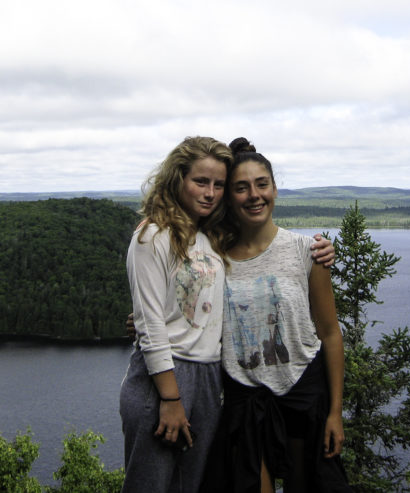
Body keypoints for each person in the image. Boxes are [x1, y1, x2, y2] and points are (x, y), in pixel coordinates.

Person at [119, 136, 334, 493]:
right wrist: (169, 396)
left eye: (218, 185)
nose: (211, 192)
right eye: (201, 182)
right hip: (167, 380)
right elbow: (151, 321)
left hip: (211, 380)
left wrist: (319, 251)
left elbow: (206, 304)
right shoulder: (154, 234)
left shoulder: (208, 237)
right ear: (177, 180)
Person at [207, 137, 350, 493]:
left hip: (303, 390)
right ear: (229, 196)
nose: (254, 195)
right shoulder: (212, 256)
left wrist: (335, 412)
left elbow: (330, 333)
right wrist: (145, 323)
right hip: (245, 398)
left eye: (262, 184)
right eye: (241, 188)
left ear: (274, 189)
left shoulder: (307, 251)